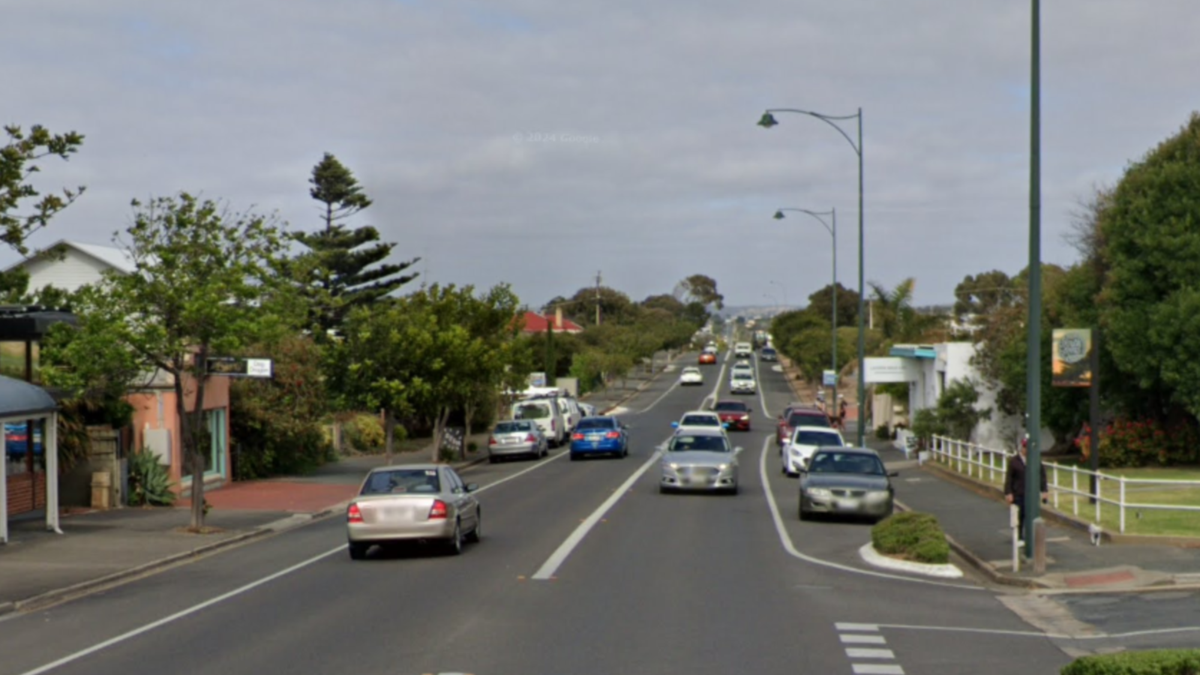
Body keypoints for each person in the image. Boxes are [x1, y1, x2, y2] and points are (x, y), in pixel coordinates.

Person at [1004, 437, 1049, 541]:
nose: (1027, 450)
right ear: (1022, 447)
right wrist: (1008, 492)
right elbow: (1009, 478)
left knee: (1032, 515)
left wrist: (1044, 490)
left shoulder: (1035, 460)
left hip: (1032, 493)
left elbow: (1042, 475)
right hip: (1019, 493)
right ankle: (1019, 535)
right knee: (1021, 515)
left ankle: (1031, 536)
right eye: (1025, 447)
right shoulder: (1014, 461)